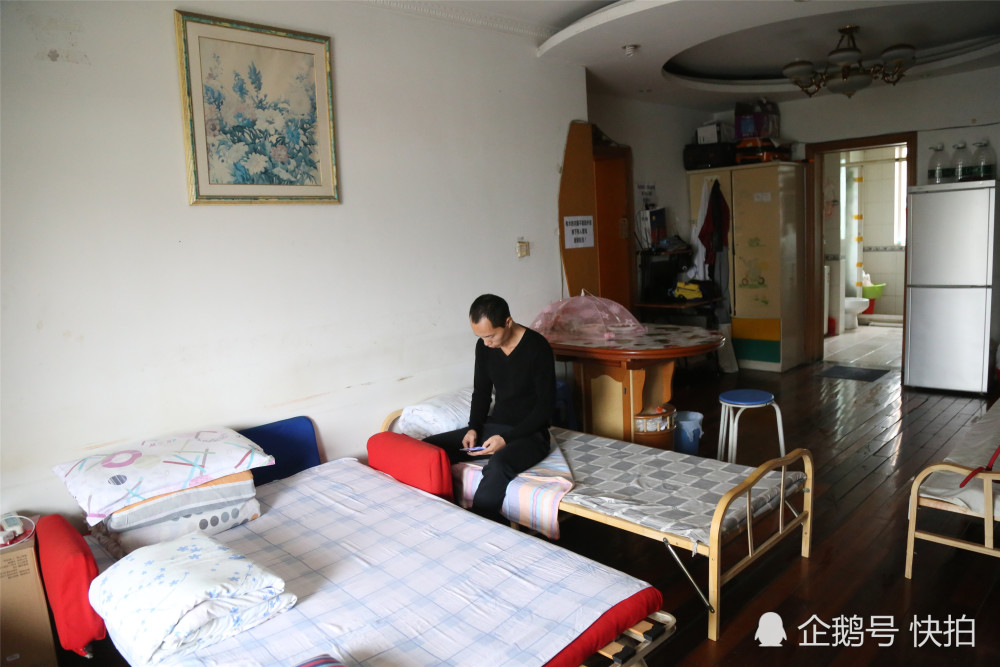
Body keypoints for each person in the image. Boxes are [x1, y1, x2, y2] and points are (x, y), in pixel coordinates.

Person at [424, 294, 555, 523]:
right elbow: (482, 392)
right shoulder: (484, 348)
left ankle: (478, 524)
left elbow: (545, 408)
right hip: (496, 426)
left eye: (490, 336)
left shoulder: (537, 347)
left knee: (499, 465)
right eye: (481, 337)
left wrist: (506, 439)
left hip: (531, 434)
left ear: (508, 322)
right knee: (430, 448)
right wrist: (473, 428)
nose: (486, 343)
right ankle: (438, 510)